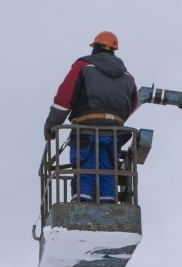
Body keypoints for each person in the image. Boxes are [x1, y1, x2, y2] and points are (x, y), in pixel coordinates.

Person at [44, 31, 138, 202]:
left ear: (95, 47)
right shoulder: (128, 77)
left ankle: (81, 204)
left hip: (85, 131)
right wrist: (112, 119)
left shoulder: (83, 67)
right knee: (108, 170)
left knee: (85, 168)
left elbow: (64, 99)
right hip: (114, 133)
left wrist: (51, 124)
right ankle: (109, 205)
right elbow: (131, 105)